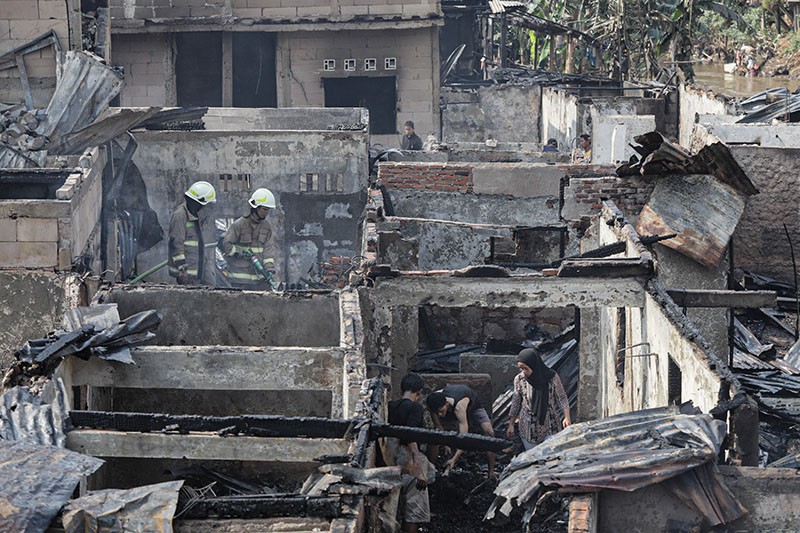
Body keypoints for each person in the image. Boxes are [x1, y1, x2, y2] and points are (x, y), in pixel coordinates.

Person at [384, 373, 433, 532]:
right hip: (409, 462)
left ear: (401, 390)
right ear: (419, 392)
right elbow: (411, 435)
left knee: (390, 511)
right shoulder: (415, 408)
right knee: (413, 510)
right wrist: (417, 468)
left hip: (389, 461)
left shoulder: (390, 406)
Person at [506, 348, 571, 451]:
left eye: (526, 368)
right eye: (521, 368)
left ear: (534, 365)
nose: (523, 372)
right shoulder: (520, 379)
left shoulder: (551, 377)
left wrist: (567, 417)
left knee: (550, 454)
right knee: (532, 455)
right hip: (528, 425)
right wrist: (511, 424)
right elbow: (516, 402)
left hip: (550, 423)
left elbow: (562, 397)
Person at [425, 384, 496, 478]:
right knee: (435, 438)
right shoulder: (433, 403)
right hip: (451, 409)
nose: (440, 415)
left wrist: (454, 459)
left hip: (473, 407)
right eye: (437, 412)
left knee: (490, 433)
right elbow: (438, 425)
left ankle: (491, 472)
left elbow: (464, 438)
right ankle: (431, 470)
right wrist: (445, 443)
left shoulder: (459, 407)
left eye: (441, 411)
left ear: (446, 403)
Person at [221, 188, 280, 289]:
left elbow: (269, 251)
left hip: (260, 281)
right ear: (255, 207)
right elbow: (226, 245)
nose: (266, 213)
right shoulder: (239, 225)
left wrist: (269, 269)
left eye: (268, 210)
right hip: (240, 280)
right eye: (264, 209)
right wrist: (240, 252)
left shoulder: (266, 227)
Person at [168, 180, 217, 285]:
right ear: (200, 202)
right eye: (207, 204)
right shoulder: (180, 216)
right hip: (187, 273)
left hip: (199, 269)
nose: (207, 208)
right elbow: (176, 244)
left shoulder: (196, 215)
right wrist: (182, 268)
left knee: (213, 288)